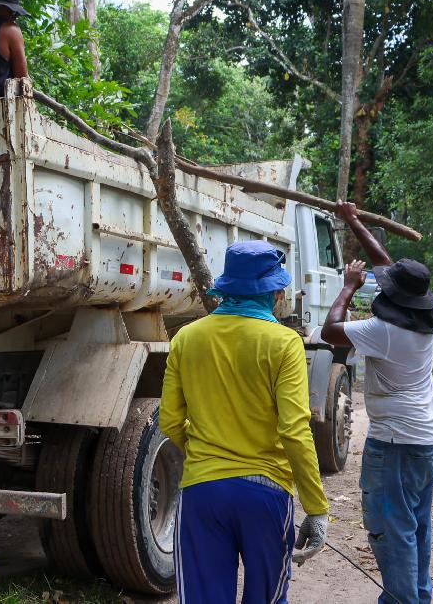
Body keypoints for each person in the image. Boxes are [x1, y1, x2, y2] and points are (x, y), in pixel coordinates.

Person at [161, 240, 329, 604]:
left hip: (202, 492)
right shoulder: (285, 343)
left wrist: (207, 454)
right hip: (265, 494)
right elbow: (295, 431)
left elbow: (170, 419)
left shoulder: (186, 338)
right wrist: (316, 508)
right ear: (275, 292)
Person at [321, 201, 433, 604]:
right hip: (429, 441)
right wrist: (352, 219)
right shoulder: (422, 317)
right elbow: (386, 264)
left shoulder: (384, 330)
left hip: (397, 447)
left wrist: (348, 285)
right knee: (414, 530)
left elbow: (329, 331)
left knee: (391, 535)